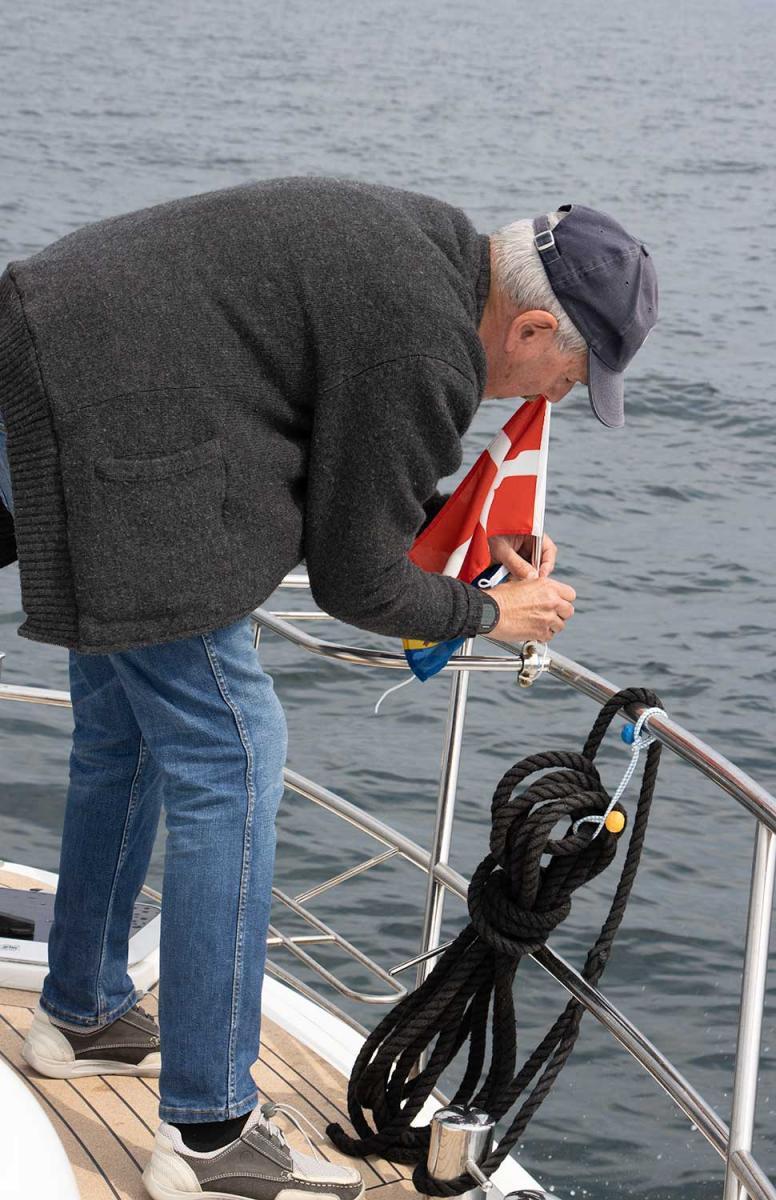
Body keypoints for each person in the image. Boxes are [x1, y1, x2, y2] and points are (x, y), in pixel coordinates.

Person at [0, 177, 657, 1200]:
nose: (549, 400)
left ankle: (81, 1010)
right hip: (116, 426)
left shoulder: (432, 250)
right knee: (236, 753)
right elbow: (359, 582)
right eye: (566, 378)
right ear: (529, 326)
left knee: (124, 731)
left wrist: (465, 532)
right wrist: (494, 616)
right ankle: (210, 1140)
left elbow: (354, 466)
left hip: (56, 357)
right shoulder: (428, 346)